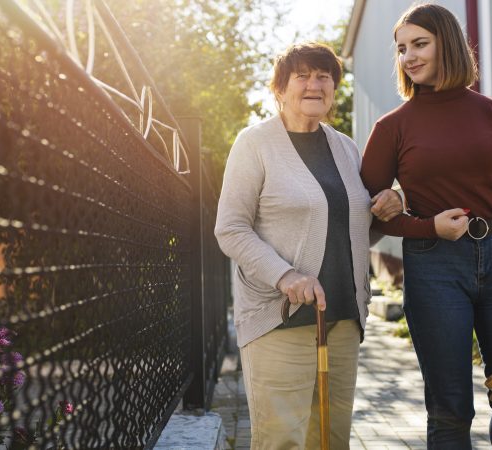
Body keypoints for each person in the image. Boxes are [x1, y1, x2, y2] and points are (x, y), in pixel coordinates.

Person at [361, 4, 492, 449]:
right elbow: (367, 213)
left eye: (419, 44)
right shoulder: (391, 126)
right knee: (450, 406)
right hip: (435, 270)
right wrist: (426, 227)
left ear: (447, 43)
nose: (408, 57)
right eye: (400, 49)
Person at [215, 41, 402, 448]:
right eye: (301, 75)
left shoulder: (345, 147)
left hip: (342, 320)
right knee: (284, 440)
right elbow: (230, 228)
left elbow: (353, 229)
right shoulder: (255, 144)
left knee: (332, 440)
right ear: (279, 89)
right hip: (280, 319)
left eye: (324, 76)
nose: (314, 84)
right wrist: (285, 276)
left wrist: (391, 204)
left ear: (334, 89)